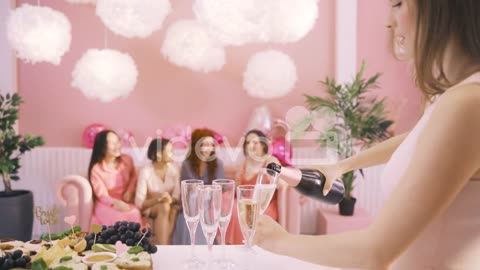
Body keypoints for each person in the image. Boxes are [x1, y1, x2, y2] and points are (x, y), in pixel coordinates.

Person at [254, 1, 480, 269]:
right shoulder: (458, 99)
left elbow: (373, 253)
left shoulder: (467, 103)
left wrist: (278, 241)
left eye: (399, 3)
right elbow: (419, 138)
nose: (388, 21)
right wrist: (342, 165)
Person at [226, 129, 286, 244]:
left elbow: (282, 184)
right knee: (233, 208)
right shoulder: (244, 164)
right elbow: (237, 189)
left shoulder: (271, 161)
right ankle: (238, 245)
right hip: (246, 202)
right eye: (248, 143)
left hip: (263, 205)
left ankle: (248, 243)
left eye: (255, 142)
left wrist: (272, 178)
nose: (250, 146)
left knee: (239, 211)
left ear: (263, 144)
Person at [171, 129, 225, 245]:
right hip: (192, 205)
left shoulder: (217, 164)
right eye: (205, 145)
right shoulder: (187, 164)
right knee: (193, 196)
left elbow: (220, 188)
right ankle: (192, 242)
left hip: (210, 203)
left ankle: (205, 243)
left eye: (211, 145)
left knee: (198, 196)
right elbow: (185, 189)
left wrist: (204, 191)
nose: (208, 148)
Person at [88, 130, 142, 226]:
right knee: (119, 218)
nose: (117, 146)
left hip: (125, 201)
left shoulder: (127, 160)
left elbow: (134, 176)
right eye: (112, 143)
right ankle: (117, 241)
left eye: (118, 142)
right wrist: (115, 202)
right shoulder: (96, 169)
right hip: (106, 204)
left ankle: (135, 241)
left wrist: (130, 190)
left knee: (135, 213)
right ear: (102, 147)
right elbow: (102, 195)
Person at [135, 138, 180, 245]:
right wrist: (158, 199)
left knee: (168, 207)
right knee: (164, 206)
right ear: (159, 154)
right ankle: (164, 246)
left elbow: (177, 195)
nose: (173, 153)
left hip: (170, 205)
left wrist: (170, 199)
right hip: (151, 207)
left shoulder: (174, 169)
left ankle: (162, 245)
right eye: (169, 151)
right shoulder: (146, 171)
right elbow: (139, 202)